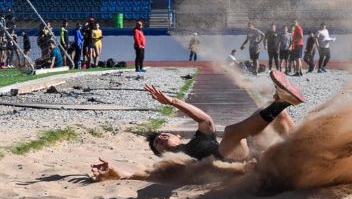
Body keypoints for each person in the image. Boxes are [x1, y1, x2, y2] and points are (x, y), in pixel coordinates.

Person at [90, 70, 304, 181]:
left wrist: (173, 101)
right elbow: (140, 174)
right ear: (160, 153)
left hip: (244, 153)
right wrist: (114, 172)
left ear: (176, 136)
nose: (162, 138)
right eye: (158, 143)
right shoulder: (172, 162)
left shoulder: (200, 139)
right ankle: (281, 101)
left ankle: (302, 143)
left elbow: (205, 121)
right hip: (224, 165)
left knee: (275, 114)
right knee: (231, 132)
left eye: (163, 135)